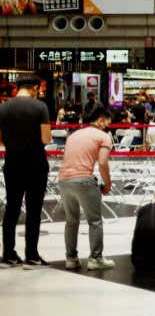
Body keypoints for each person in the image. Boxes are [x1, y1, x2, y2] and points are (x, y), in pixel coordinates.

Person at [0, 77, 53, 269]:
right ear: (35, 88)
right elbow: (46, 138)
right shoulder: (40, 107)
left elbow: (0, 140)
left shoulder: (4, 107)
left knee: (11, 210)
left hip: (12, 162)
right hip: (35, 163)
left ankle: (8, 255)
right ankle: (31, 256)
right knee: (34, 210)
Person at [58, 106, 115, 271]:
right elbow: (103, 162)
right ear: (101, 119)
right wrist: (108, 184)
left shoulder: (73, 135)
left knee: (71, 221)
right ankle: (96, 258)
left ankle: (71, 258)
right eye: (107, 123)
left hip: (64, 180)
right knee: (95, 221)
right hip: (84, 180)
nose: (107, 127)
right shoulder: (103, 136)